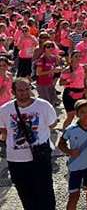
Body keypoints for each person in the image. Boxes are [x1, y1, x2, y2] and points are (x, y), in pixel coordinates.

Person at [0, 77, 58, 209]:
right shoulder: (4, 110)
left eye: (27, 89)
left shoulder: (43, 105)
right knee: (25, 193)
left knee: (46, 192)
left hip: (40, 156)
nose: (24, 93)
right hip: (16, 159)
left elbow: (52, 124)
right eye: (20, 90)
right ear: (13, 91)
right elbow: (4, 131)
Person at [58, 99, 87, 210]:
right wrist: (69, 152)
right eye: (82, 112)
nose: (86, 114)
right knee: (74, 195)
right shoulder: (71, 129)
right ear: (77, 114)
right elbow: (61, 144)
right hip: (75, 167)